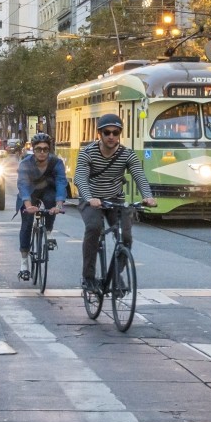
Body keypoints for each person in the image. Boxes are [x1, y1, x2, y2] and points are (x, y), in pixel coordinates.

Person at [73, 114, 156, 291]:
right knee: (94, 228)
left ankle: (116, 275)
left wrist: (147, 196)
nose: (111, 136)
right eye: (107, 132)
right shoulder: (87, 153)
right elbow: (80, 178)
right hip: (92, 200)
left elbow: (139, 176)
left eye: (116, 132)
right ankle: (88, 278)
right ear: (99, 134)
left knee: (125, 237)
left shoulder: (126, 154)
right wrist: (89, 198)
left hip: (115, 199)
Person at [16, 132, 67, 280]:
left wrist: (59, 204)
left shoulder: (56, 163)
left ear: (49, 149)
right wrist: (27, 205)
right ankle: (24, 263)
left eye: (45, 149)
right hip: (30, 192)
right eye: (39, 149)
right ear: (33, 149)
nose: (42, 152)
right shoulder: (25, 163)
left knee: (51, 202)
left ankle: (49, 231)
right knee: (26, 223)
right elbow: (23, 184)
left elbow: (61, 182)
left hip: (48, 190)